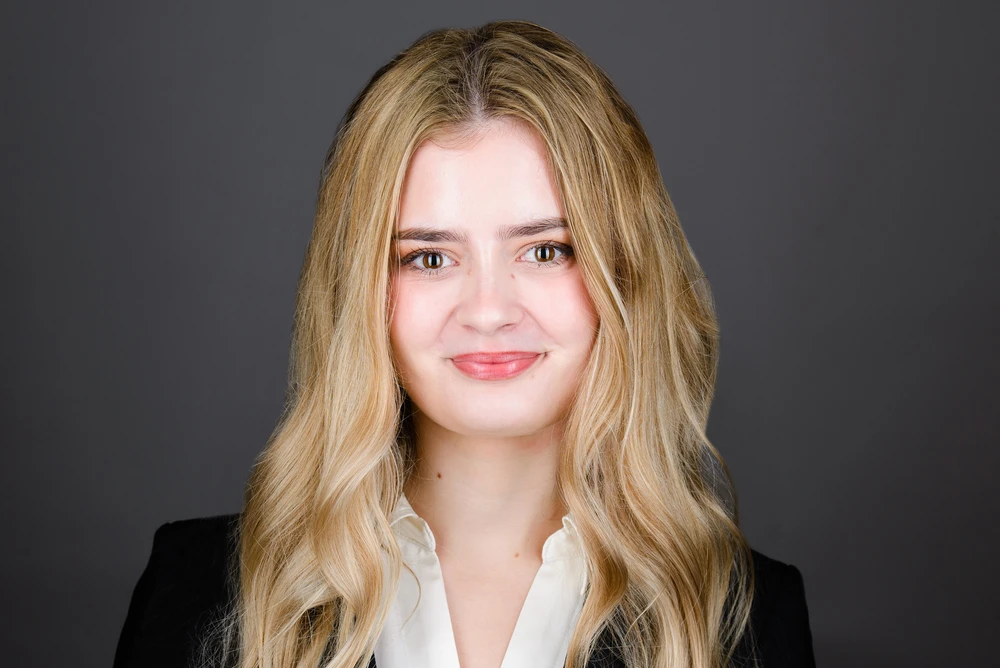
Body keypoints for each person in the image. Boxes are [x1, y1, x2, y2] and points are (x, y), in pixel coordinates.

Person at [113, 20, 815, 668]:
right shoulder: (194, 594)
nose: (488, 310)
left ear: (625, 273)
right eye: (429, 257)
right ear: (362, 290)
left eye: (545, 251)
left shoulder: (747, 620)